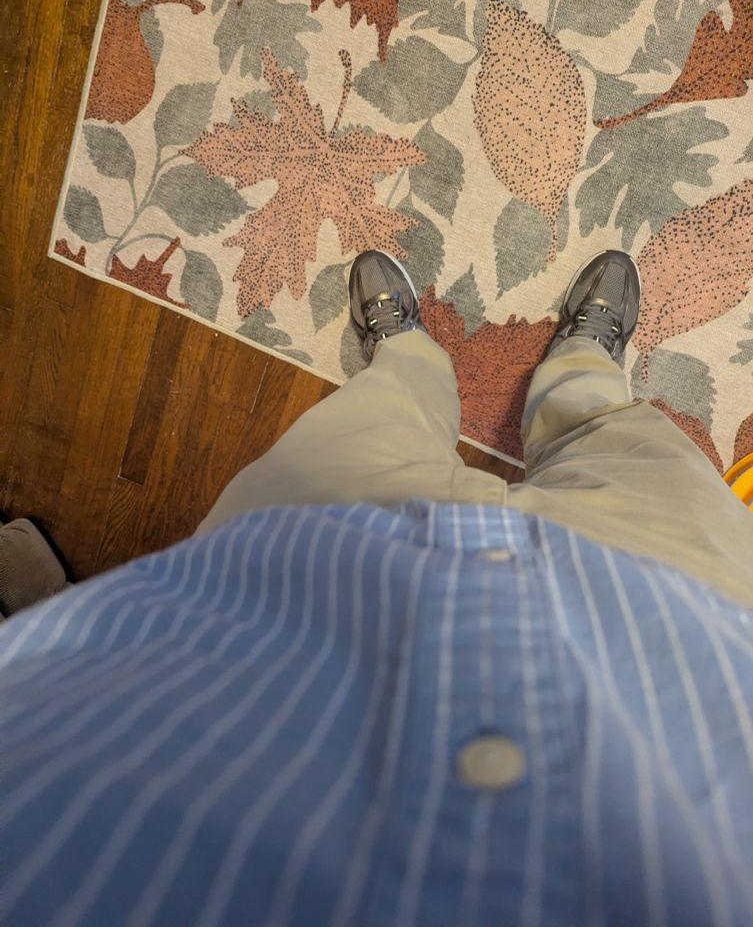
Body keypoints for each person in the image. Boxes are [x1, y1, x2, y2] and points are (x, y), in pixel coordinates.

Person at [1, 249, 752, 927]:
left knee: (371, 422)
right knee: (625, 442)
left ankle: (405, 359)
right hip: (685, 619)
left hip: (272, 602)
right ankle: (583, 364)